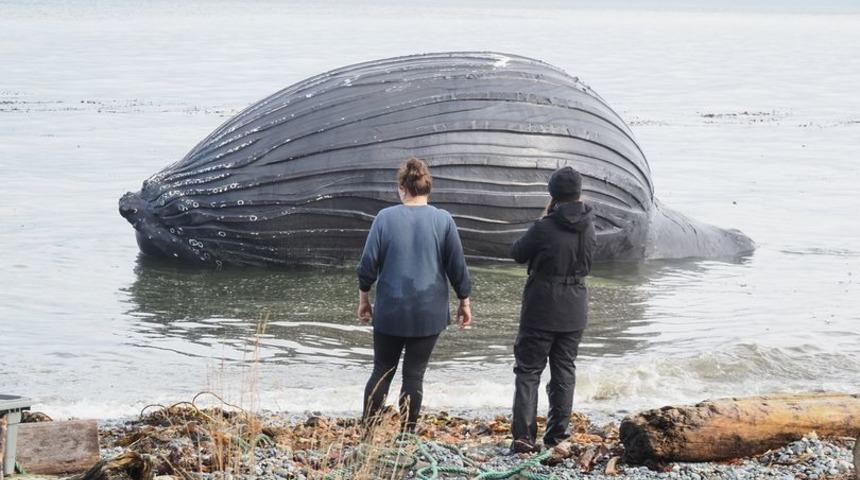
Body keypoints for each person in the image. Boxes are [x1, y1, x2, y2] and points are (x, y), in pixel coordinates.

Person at [356, 157, 472, 432]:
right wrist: (464, 301)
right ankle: (406, 437)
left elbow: (368, 264)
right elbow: (458, 266)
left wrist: (364, 299)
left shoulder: (385, 218)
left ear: (402, 188)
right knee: (414, 375)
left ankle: (368, 434)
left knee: (382, 370)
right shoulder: (443, 220)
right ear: (427, 189)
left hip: (390, 309)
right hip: (429, 312)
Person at [509, 166, 597, 453]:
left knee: (528, 371)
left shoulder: (544, 226)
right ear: (578, 193)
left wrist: (541, 221)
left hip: (541, 308)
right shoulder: (590, 224)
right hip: (575, 307)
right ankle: (558, 436)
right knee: (564, 372)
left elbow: (517, 253)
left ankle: (524, 439)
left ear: (552, 194)